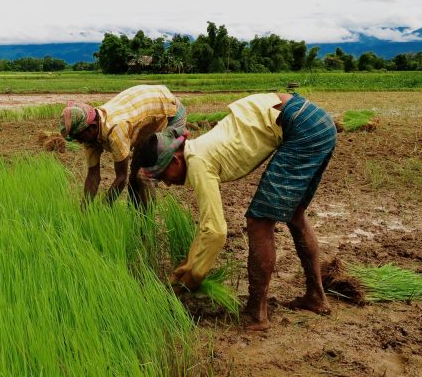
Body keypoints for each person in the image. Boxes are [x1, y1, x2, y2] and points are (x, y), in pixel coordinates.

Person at [133, 92, 337, 331]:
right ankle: (316, 296)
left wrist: (191, 277)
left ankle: (256, 313)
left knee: (258, 222)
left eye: (163, 176)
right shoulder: (198, 150)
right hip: (315, 121)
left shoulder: (197, 161)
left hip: (301, 125)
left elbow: (215, 231)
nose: (166, 184)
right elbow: (210, 228)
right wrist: (190, 263)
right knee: (295, 214)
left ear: (176, 162)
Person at [59, 85, 186, 206]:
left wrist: (102, 209)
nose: (80, 142)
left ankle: (147, 224)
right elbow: (93, 176)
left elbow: (121, 178)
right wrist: (85, 210)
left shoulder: (115, 130)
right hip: (144, 121)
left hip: (171, 113)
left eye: (80, 138)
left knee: (143, 176)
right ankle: (136, 217)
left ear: (92, 127)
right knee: (134, 176)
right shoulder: (89, 134)